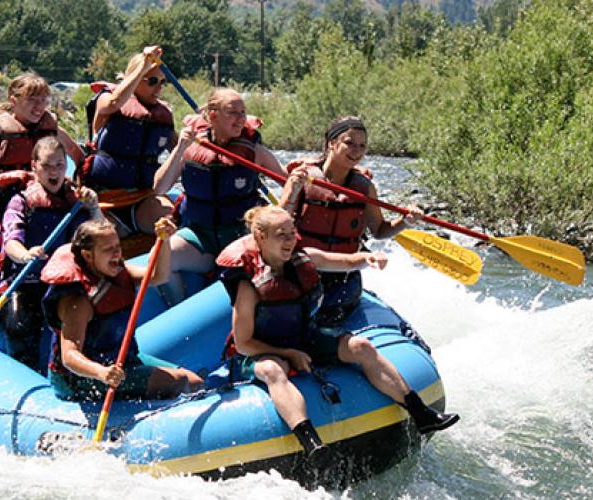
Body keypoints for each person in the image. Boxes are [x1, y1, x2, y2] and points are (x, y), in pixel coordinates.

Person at [218, 206, 458, 456]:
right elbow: (243, 343)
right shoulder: (248, 287)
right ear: (260, 236)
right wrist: (288, 354)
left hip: (304, 337)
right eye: (281, 235)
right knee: (272, 371)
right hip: (261, 349)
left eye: (292, 233)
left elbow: (344, 261)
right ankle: (312, 444)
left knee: (361, 346)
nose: (290, 241)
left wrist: (367, 259)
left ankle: (421, 414)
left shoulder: (305, 258)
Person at [281, 116, 423, 325]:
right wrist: (293, 190)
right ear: (332, 143)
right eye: (349, 143)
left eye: (362, 146)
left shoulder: (364, 187)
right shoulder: (302, 178)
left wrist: (405, 221)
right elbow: (277, 223)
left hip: (344, 276)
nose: (356, 151)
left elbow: (379, 231)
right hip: (303, 269)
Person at [40, 219, 203, 401]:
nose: (117, 253)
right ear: (87, 256)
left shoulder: (118, 273)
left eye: (118, 246)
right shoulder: (78, 302)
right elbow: (69, 356)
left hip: (121, 361)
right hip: (79, 379)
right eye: (108, 249)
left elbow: (158, 276)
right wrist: (102, 372)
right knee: (180, 382)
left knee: (194, 382)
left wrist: (163, 241)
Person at [153, 88, 287, 302]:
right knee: (162, 256)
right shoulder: (192, 146)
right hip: (200, 235)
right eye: (233, 113)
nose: (240, 119)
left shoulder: (254, 151)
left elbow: (286, 182)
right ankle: (179, 311)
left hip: (240, 236)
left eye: (243, 113)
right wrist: (179, 148)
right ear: (213, 115)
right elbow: (159, 188)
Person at [0, 137, 103, 369]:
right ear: (34, 166)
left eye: (59, 165)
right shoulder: (21, 202)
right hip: (25, 281)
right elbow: (11, 242)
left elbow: (103, 238)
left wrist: (94, 208)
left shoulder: (77, 202)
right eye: (46, 166)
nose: (54, 172)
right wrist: (26, 255)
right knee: (19, 325)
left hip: (62, 285)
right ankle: (24, 370)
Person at [0, 74, 86, 268]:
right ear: (14, 100)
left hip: (38, 202)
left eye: (43, 100)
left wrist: (81, 188)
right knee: (32, 232)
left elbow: (79, 157)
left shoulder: (49, 129)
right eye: (32, 100)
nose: (39, 106)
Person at [82, 45, 175, 237]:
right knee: (105, 237)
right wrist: (143, 66)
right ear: (134, 76)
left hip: (142, 198)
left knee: (171, 221)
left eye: (162, 82)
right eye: (152, 81)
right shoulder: (107, 98)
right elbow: (114, 104)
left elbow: (183, 149)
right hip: (104, 197)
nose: (159, 88)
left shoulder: (162, 115)